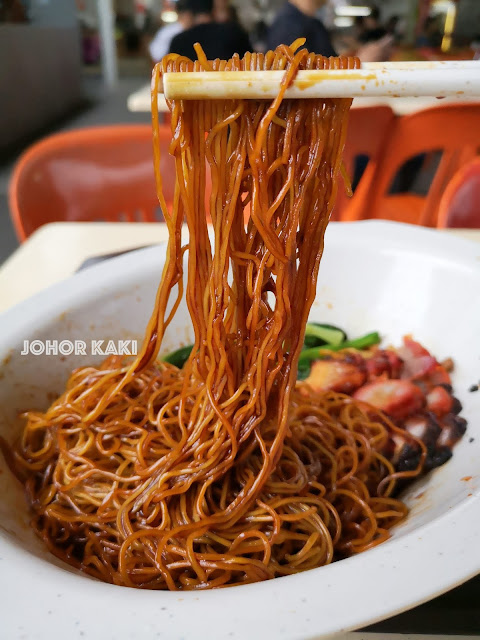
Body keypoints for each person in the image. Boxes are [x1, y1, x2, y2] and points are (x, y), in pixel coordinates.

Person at [267, 0, 393, 62]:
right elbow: (297, 82)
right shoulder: (288, 24)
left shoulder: (314, 24)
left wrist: (357, 58)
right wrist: (359, 63)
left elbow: (325, 64)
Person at [169, 0, 251, 61]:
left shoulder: (178, 41)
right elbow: (250, 62)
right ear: (213, 9)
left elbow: (170, 70)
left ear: (190, 13)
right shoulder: (234, 32)